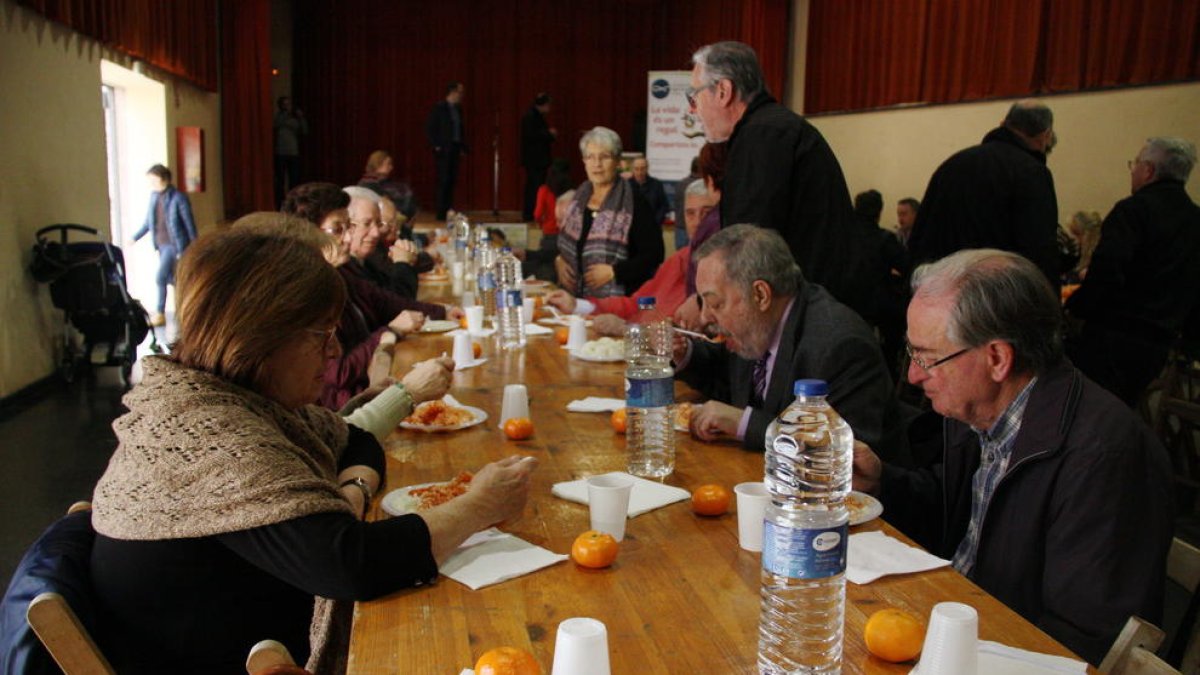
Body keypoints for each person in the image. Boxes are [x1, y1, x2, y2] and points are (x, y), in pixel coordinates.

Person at [88, 227, 537, 673]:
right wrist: (480, 505)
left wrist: (354, 490)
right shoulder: (209, 436)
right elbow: (353, 566)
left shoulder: (242, 401)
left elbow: (355, 438)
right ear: (260, 338)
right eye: (321, 334)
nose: (334, 349)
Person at [852, 249, 1173, 665]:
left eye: (926, 357)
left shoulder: (1104, 455)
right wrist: (882, 482)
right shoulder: (982, 411)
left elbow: (1082, 640)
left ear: (998, 359)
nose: (914, 375)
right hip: (957, 627)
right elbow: (958, 516)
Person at [672, 225, 911, 464]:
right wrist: (684, 353)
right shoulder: (757, 325)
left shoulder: (839, 345)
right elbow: (727, 375)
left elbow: (848, 454)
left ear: (760, 295)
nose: (704, 318)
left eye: (715, 304)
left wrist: (745, 424)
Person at [688, 41, 871, 319]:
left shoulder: (761, 136)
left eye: (695, 96)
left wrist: (708, 303)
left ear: (723, 91)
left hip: (807, 313)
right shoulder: (773, 128)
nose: (693, 109)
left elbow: (750, 245)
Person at [1065, 137, 1200, 406]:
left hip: (1114, 336)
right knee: (1122, 411)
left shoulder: (1133, 211)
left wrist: (1077, 307)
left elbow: (1108, 269)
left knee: (1084, 409)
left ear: (1148, 170)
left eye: (1135, 164)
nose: (1133, 170)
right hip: (1159, 343)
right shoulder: (1195, 219)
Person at [908, 100, 1060, 290]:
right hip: (998, 295)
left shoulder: (953, 165)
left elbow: (920, 235)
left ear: (1003, 123)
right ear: (1045, 135)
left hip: (943, 290)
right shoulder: (1031, 172)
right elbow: (1040, 248)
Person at [545, 179, 717, 333]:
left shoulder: (724, 272)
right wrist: (577, 305)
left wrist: (628, 330)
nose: (698, 221)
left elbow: (692, 342)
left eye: (706, 212)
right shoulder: (679, 260)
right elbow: (640, 303)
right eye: (690, 213)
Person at [555, 126, 664, 298]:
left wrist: (615, 271)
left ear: (618, 162)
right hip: (573, 301)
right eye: (590, 157)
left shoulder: (635, 202)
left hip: (618, 305)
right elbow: (569, 246)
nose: (597, 164)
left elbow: (654, 255)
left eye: (604, 157)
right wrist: (559, 259)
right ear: (584, 161)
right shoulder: (577, 199)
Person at [131, 164, 196, 327]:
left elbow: (189, 224)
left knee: (160, 277)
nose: (151, 183)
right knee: (173, 279)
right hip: (160, 244)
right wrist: (135, 237)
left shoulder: (178, 198)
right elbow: (148, 222)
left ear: (163, 179)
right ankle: (187, 307)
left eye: (154, 179)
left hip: (174, 245)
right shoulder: (154, 197)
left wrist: (196, 245)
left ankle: (160, 313)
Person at [426, 81, 467, 221]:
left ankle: (448, 209)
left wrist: (462, 147)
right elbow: (431, 127)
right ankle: (440, 212)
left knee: (452, 180)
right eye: (460, 92)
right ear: (453, 92)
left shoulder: (458, 109)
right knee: (443, 180)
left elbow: (460, 130)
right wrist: (437, 145)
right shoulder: (440, 108)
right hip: (444, 149)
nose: (461, 95)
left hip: (455, 148)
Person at [520, 93, 556, 221]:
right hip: (535, 159)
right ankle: (531, 213)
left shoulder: (536, 116)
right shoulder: (531, 117)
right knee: (534, 187)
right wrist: (549, 133)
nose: (549, 108)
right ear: (544, 105)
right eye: (548, 105)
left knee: (536, 186)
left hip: (537, 159)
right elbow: (532, 136)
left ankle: (534, 212)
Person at [358, 150, 416, 222]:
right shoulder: (368, 183)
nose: (391, 167)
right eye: (388, 164)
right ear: (378, 164)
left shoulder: (385, 182)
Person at [274, 96, 307, 207]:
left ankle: (294, 202)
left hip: (293, 152)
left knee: (294, 179)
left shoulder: (295, 119)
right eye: (285, 104)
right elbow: (276, 125)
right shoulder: (278, 117)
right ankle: (280, 203)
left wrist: (301, 118)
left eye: (289, 104)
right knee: (280, 181)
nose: (288, 106)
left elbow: (304, 131)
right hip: (280, 153)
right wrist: (286, 116)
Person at [629, 157, 669, 226]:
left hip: (652, 227)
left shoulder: (657, 184)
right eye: (636, 169)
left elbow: (664, 206)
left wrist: (656, 222)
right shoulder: (626, 185)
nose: (639, 172)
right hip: (632, 228)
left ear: (647, 168)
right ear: (632, 169)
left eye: (642, 168)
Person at [672, 156, 702, 250]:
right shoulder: (702, 185)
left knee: (682, 259)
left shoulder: (681, 184)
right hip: (697, 228)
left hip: (680, 227)